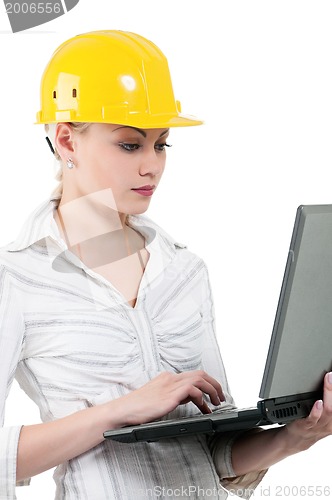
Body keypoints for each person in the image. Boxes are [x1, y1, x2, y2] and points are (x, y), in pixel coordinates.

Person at [0, 29, 331, 500]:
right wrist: (120, 411)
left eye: (162, 145)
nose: (152, 166)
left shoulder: (184, 271)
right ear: (67, 141)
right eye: (131, 145)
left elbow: (217, 451)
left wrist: (299, 434)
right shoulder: (16, 276)